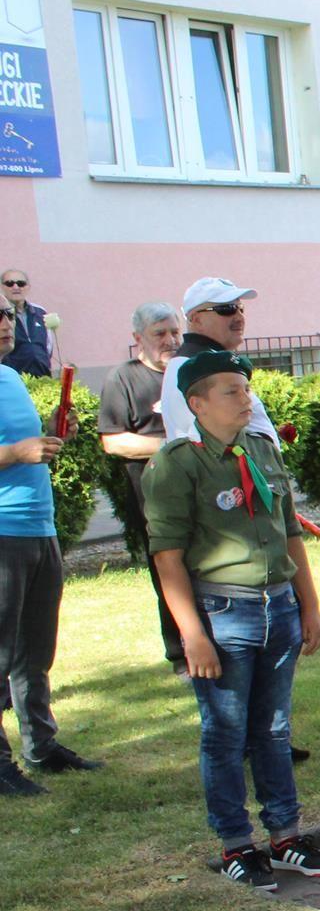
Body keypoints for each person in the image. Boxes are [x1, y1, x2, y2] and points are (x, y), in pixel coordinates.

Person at [142, 350, 320, 890]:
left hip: (278, 606)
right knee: (225, 735)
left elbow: (289, 534)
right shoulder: (177, 464)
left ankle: (285, 836)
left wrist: (310, 606)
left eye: (246, 388)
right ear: (196, 403)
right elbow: (167, 558)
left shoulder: (261, 450)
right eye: (230, 390)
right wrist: (192, 635)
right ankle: (235, 844)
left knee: (274, 729)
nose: (245, 398)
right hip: (224, 613)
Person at [0, 307, 101, 797]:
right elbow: (11, 450)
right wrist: (16, 453)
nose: (4, 324)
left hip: (38, 527)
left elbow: (19, 441)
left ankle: (41, 745)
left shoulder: (10, 378)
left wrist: (54, 431)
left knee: (35, 650)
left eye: (5, 316)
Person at [99, 301, 188, 670]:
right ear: (138, 338)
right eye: (159, 334)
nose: (170, 340)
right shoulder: (123, 378)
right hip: (152, 496)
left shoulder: (187, 373)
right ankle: (180, 653)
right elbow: (114, 442)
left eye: (174, 332)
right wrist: (173, 445)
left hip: (199, 487)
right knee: (168, 568)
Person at [160, 278, 277, 444]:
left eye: (240, 308)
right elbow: (211, 444)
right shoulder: (194, 368)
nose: (239, 317)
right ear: (196, 319)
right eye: (226, 309)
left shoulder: (206, 362)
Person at [0, 269, 56, 378]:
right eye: (10, 283)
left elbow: (48, 347)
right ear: (2, 287)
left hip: (42, 378)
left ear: (28, 287)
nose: (16, 287)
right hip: (14, 378)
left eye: (21, 283)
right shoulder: (3, 315)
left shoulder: (40, 313)